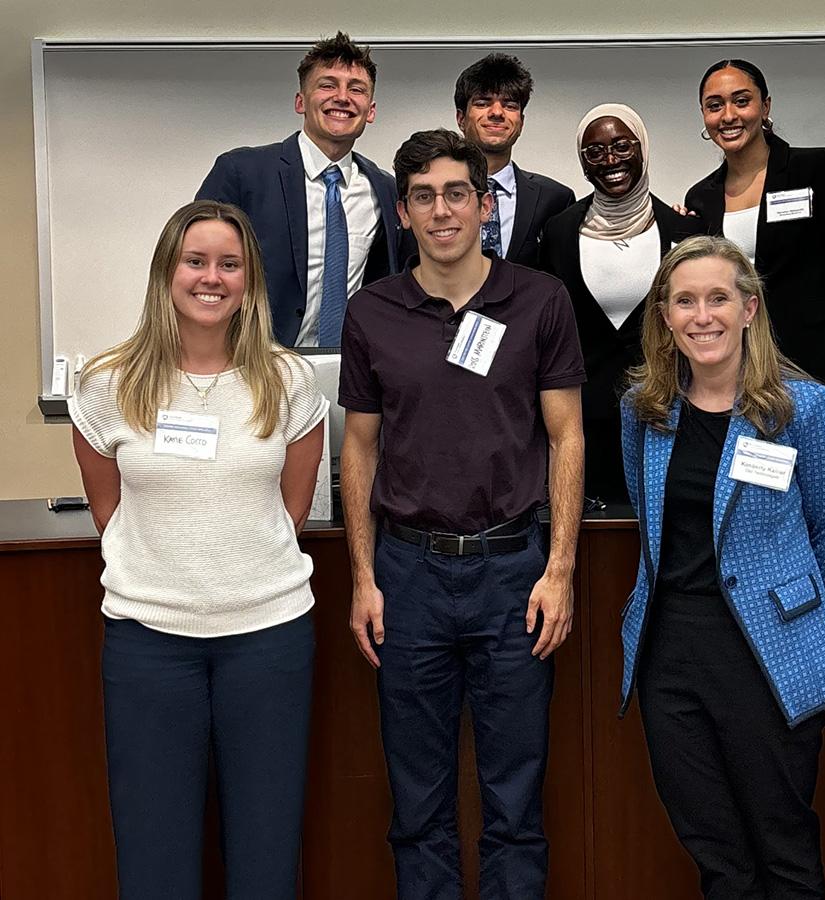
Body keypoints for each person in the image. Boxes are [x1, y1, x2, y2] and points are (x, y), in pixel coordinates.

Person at [338, 128, 585, 899]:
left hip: (514, 574)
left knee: (515, 803)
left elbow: (566, 435)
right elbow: (359, 450)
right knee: (418, 805)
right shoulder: (372, 312)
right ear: (402, 212)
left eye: (455, 193)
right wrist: (362, 576)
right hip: (407, 577)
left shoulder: (539, 299)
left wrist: (561, 570)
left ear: (484, 204)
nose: (440, 210)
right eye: (422, 196)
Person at [68, 200, 328, 899]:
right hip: (149, 643)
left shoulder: (290, 382)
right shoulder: (105, 386)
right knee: (154, 855)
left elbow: (293, 509)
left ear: (249, 281)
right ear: (167, 272)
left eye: (229, 264)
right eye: (196, 261)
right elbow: (108, 510)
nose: (211, 277)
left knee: (267, 853)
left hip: (268, 639)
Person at [619, 235, 825, 898]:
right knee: (715, 851)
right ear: (664, 315)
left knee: (782, 844)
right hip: (671, 657)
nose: (703, 315)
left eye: (718, 298)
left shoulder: (800, 408)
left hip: (768, 651)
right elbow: (652, 520)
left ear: (749, 308)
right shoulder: (645, 408)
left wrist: (787, 608)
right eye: (684, 300)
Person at [683, 59, 825, 454]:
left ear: (765, 107)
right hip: (737, 386)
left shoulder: (817, 169)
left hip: (817, 378)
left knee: (822, 505)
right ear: (704, 115)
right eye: (715, 105)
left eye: (741, 101)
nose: (729, 115)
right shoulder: (700, 198)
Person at [539, 103, 705, 504]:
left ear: (642, 149)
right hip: (580, 424)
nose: (610, 160)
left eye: (621, 146)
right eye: (594, 152)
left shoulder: (686, 230)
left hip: (667, 417)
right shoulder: (559, 232)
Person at [197, 32, 401, 347]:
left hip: (348, 369)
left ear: (370, 110)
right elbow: (195, 270)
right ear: (300, 102)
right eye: (327, 85)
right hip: (253, 363)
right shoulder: (242, 173)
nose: (342, 97)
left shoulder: (384, 189)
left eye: (356, 89)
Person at [400, 53, 574, 269]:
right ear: (461, 118)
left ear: (521, 122)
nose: (497, 113)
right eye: (483, 103)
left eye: (510, 105)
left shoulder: (555, 199)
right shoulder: (419, 194)